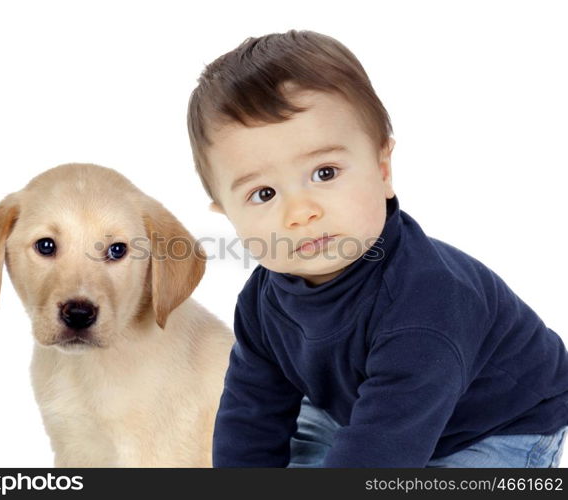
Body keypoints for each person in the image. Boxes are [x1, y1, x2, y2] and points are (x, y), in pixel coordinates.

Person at [186, 29, 568, 467]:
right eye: (264, 194)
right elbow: (251, 414)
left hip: (494, 426)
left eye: (325, 173)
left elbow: (380, 458)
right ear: (227, 214)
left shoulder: (425, 305)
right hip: (366, 408)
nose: (300, 211)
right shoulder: (262, 303)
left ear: (383, 169)